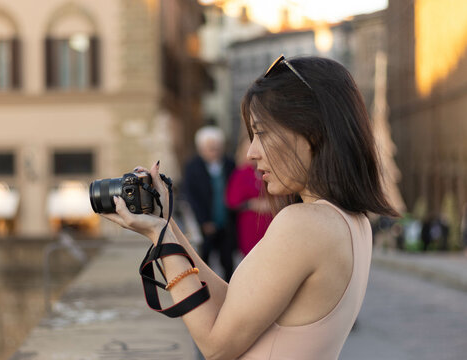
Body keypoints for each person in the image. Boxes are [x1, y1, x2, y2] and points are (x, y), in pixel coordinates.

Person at [103, 55, 398, 359]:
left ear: (312, 132)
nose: (252, 152)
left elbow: (216, 346)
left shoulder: (304, 224)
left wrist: (159, 239)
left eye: (262, 133)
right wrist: (167, 225)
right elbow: (236, 306)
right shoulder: (352, 220)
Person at [182, 126, 236, 281]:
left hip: (226, 222)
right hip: (205, 223)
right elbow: (192, 197)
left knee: (227, 260)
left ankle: (228, 290)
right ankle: (204, 289)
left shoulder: (229, 164)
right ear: (201, 149)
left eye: (216, 147)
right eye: (209, 148)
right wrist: (204, 221)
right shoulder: (192, 167)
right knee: (203, 260)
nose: (214, 151)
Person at [225, 135, 272, 256]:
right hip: (250, 225)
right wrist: (252, 204)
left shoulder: (270, 171)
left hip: (271, 223)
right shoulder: (240, 173)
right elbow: (232, 201)